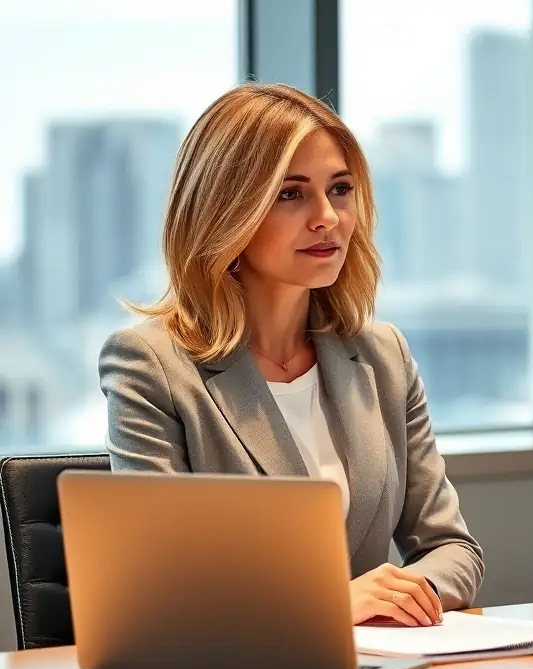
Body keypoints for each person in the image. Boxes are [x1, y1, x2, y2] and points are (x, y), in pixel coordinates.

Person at [99, 82, 484, 627]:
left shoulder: (383, 356)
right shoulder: (150, 365)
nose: (327, 217)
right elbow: (161, 585)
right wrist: (327, 605)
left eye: (341, 189)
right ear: (225, 210)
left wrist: (405, 592)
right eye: (291, 193)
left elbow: (453, 550)